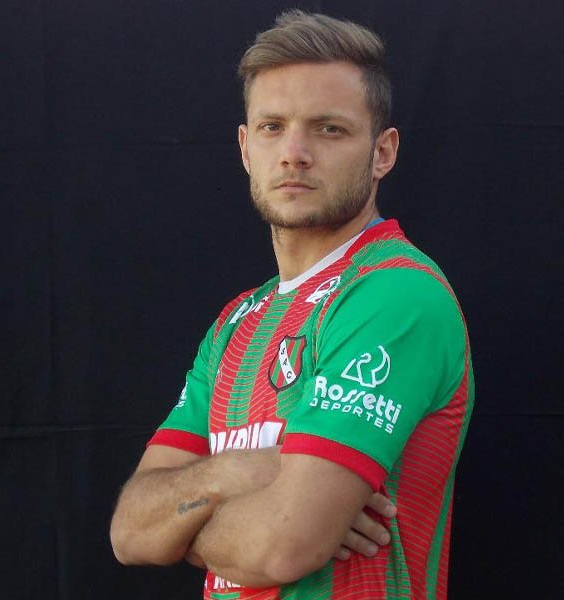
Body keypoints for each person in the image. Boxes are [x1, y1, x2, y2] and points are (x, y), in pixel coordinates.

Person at [110, 10, 474, 599]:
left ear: (382, 152)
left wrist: (187, 526)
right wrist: (241, 471)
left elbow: (284, 545)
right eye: (272, 127)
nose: (294, 153)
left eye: (329, 129)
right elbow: (131, 532)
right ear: (245, 147)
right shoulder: (237, 321)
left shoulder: (394, 292)